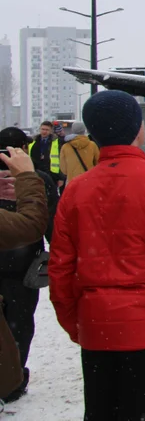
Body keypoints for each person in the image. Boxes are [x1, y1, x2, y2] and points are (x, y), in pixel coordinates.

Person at [49, 90, 145, 420]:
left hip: (95, 327)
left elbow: (60, 267)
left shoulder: (76, 189)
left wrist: (77, 324)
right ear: (137, 129)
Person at [0, 128, 58, 403]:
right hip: (25, 264)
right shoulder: (38, 179)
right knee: (21, 322)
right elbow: (46, 221)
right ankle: (14, 378)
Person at [58, 121, 98, 188]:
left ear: (72, 130)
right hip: (89, 180)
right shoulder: (92, 145)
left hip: (72, 182)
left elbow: (63, 168)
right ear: (84, 130)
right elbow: (98, 163)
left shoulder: (65, 146)